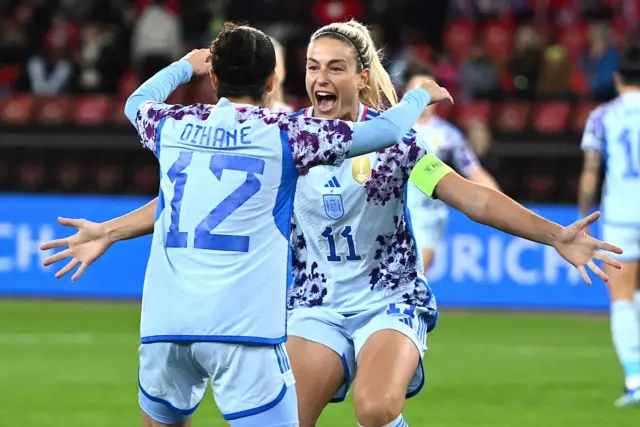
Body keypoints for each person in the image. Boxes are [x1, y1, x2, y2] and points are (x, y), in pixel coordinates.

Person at [43, 21, 623, 427]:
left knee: (375, 407)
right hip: (313, 305)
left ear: (361, 75)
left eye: (336, 68)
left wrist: (554, 235)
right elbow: (185, 202)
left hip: (387, 300)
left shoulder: (395, 144)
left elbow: (468, 196)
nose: (321, 77)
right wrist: (112, 229)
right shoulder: (289, 141)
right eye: (313, 67)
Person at [578, 42, 640, 407]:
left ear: (617, 78)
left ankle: (634, 379)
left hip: (619, 218)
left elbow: (590, 176)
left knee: (621, 297)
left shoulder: (603, 116)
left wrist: (582, 221)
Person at [402, 60, 500, 272]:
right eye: (418, 90)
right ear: (406, 94)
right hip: (390, 214)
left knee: (413, 277)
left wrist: (503, 203)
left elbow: (475, 172)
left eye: (428, 90)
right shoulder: (392, 130)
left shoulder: (448, 136)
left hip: (427, 218)